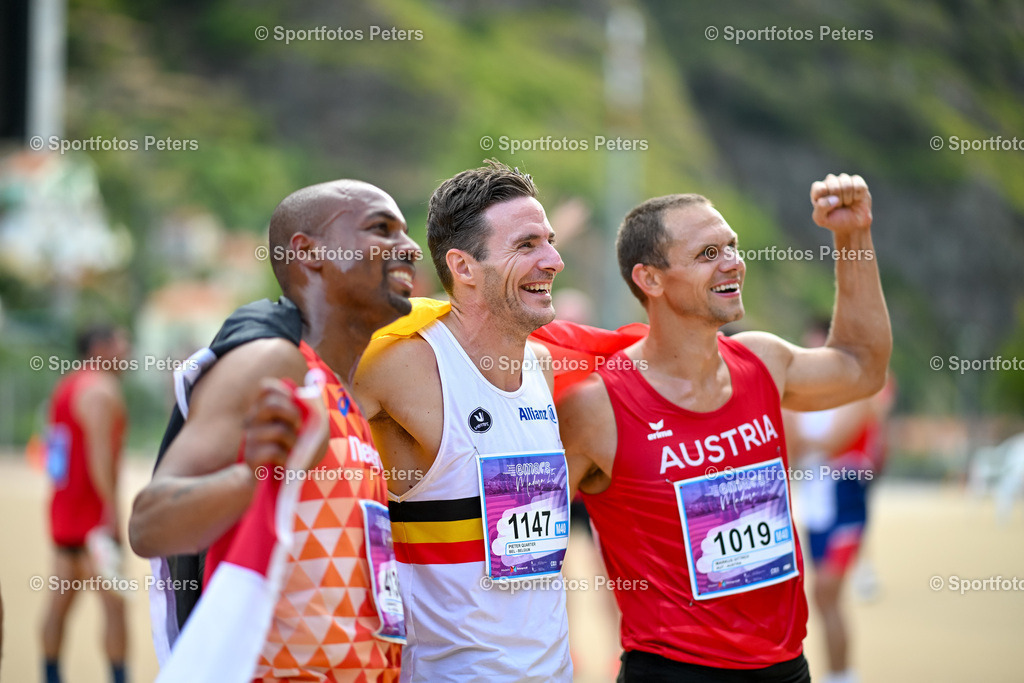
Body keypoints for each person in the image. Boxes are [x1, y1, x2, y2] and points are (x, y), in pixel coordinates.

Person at [558, 173, 891, 682]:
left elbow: (862, 365)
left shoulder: (763, 360)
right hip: (673, 672)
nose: (733, 262)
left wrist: (854, 236)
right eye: (708, 253)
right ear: (650, 279)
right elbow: (516, 545)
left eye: (732, 247)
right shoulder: (597, 406)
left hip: (786, 668)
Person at [128, 179, 420, 681]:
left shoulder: (342, 390)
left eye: (406, 233)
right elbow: (150, 524)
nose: (409, 248)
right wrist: (251, 477)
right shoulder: (273, 361)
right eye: (381, 229)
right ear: (308, 253)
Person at [352, 161, 573, 682]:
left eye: (550, 240)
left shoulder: (540, 365)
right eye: (526, 245)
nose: (554, 260)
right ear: (464, 267)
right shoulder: (402, 366)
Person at [786, 335, 895, 683]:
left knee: (826, 591)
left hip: (848, 500)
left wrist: (808, 444)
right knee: (821, 600)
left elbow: (835, 441)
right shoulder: (798, 401)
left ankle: (843, 676)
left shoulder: (857, 394)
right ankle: (838, 672)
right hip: (815, 506)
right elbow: (789, 446)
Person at [42, 325, 131, 683]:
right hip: (94, 521)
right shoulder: (100, 390)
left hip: (65, 516)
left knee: (59, 606)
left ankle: (49, 676)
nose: (126, 349)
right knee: (116, 608)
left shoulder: (66, 387)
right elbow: (98, 454)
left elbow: (55, 456)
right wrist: (111, 512)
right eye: (120, 342)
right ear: (100, 348)